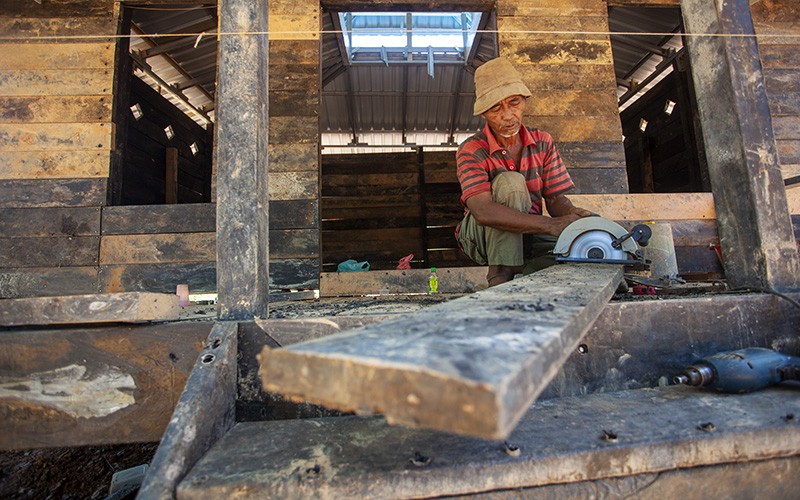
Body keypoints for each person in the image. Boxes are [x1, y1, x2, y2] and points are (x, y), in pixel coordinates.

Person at [455, 57, 593, 286]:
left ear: (525, 101)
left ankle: (526, 271)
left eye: (514, 103)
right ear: (484, 114)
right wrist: (551, 225)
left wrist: (574, 216)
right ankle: (500, 275)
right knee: (511, 182)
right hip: (480, 236)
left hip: (530, 230)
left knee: (576, 253)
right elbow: (482, 211)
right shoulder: (472, 149)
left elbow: (556, 199)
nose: (508, 115)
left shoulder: (542, 141)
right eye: (496, 108)